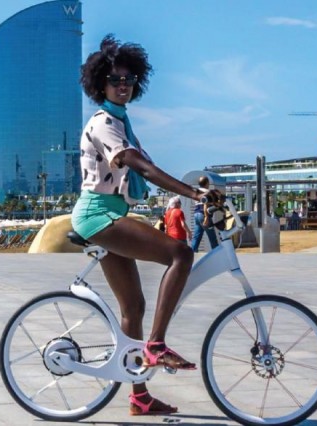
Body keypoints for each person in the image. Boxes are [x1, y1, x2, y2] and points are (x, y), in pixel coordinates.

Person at [71, 35, 221, 416]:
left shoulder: (122, 122)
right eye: (115, 80)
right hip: (98, 216)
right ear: (100, 84)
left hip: (110, 214)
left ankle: (138, 396)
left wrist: (203, 193)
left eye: (129, 80)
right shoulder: (105, 123)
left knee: (133, 307)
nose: (123, 85)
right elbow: (145, 169)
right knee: (181, 254)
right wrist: (192, 192)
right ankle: (156, 345)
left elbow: (149, 166)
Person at [190, 176, 219, 252]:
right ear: (207, 183)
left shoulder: (197, 192)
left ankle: (192, 252)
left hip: (196, 215)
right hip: (204, 214)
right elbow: (205, 204)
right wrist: (206, 217)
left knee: (196, 237)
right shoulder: (207, 192)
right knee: (212, 237)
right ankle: (217, 253)